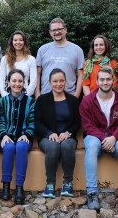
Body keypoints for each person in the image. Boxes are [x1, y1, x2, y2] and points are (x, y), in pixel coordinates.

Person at [79, 67, 118, 215]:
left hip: (116, 137)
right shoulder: (87, 101)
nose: (105, 82)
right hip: (95, 136)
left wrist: (113, 138)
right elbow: (87, 126)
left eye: (108, 79)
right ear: (97, 81)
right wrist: (104, 139)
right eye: (102, 79)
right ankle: (92, 193)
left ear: (113, 81)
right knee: (91, 146)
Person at [35, 68, 81, 198]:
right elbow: (37, 123)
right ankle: (50, 184)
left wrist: (68, 133)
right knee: (53, 146)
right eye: (55, 81)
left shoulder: (72, 100)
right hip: (47, 136)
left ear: (65, 82)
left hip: (67, 136)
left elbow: (77, 122)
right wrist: (49, 133)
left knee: (67, 145)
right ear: (50, 82)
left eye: (61, 81)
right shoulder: (42, 100)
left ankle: (68, 183)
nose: (58, 84)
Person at [0, 69, 35, 205]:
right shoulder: (2, 101)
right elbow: (0, 121)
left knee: (20, 147)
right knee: (8, 148)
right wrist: (3, 135)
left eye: (20, 81)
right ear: (8, 82)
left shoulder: (31, 102)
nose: (17, 84)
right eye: (14, 81)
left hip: (24, 138)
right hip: (6, 137)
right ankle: (6, 186)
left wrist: (26, 134)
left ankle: (19, 187)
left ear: (24, 83)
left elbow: (32, 122)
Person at [35, 18, 84, 99]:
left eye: (59, 29)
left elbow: (80, 74)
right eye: (53, 30)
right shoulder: (42, 49)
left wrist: (76, 96)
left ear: (65, 29)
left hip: (69, 96)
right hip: (45, 96)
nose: (56, 32)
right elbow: (37, 73)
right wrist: (37, 94)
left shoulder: (77, 50)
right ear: (50, 32)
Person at [0, 31, 37, 97]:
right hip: (8, 95)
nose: (18, 42)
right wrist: (5, 96)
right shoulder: (5, 59)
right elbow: (1, 80)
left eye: (21, 40)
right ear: (12, 42)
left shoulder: (31, 59)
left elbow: (34, 81)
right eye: (15, 40)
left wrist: (25, 96)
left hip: (25, 94)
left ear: (24, 42)